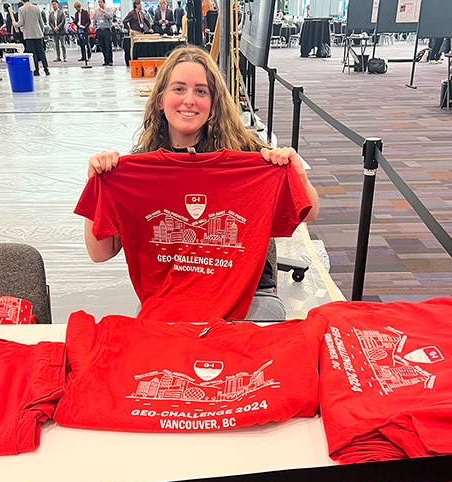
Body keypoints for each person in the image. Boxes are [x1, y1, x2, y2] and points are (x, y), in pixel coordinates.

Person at [82, 46, 320, 321]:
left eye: (201, 91)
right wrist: (97, 183)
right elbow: (100, 253)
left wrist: (296, 173)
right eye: (179, 89)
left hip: (250, 296)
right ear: (160, 99)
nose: (189, 100)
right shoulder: (138, 168)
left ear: (214, 103)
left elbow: (310, 212)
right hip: (170, 298)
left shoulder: (249, 157)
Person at [17, 0, 47, 75]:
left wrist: (15, 24)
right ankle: (46, 69)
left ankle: (36, 70)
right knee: (41, 52)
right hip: (38, 33)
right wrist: (41, 32)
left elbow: (21, 22)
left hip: (28, 35)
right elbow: (41, 22)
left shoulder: (21, 9)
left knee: (32, 53)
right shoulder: (36, 8)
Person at [91, 0, 112, 65]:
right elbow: (94, 21)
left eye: (101, 2)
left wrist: (103, 12)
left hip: (106, 29)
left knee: (108, 45)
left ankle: (110, 60)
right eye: (99, 2)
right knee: (102, 46)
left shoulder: (107, 10)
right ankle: (105, 59)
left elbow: (110, 17)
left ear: (104, 3)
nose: (100, 4)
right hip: (99, 30)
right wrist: (95, 29)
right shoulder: (96, 11)